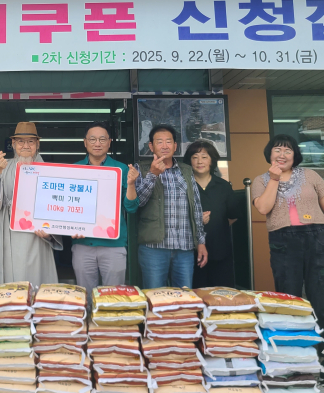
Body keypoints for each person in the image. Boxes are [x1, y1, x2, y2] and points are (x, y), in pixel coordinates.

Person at [252, 134, 324, 385]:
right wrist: (273, 178)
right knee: (288, 302)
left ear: (295, 155)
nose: (282, 154)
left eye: (288, 150)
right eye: (277, 150)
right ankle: (292, 360)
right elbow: (263, 208)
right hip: (283, 242)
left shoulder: (311, 176)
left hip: (317, 239)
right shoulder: (261, 180)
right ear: (269, 154)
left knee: (322, 301)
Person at [0, 121, 63, 286]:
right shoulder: (3, 167)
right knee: (9, 284)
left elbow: (57, 207)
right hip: (8, 232)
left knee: (35, 283)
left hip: (36, 236)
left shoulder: (50, 171)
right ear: (13, 143)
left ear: (37, 144)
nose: (26, 146)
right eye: (20, 141)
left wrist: (49, 234)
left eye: (30, 141)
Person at [135, 124, 208, 289]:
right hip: (154, 248)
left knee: (184, 297)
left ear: (175, 146)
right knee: (155, 296)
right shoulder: (142, 169)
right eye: (159, 142)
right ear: (151, 146)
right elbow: (138, 202)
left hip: (184, 247)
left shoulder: (186, 171)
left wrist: (201, 242)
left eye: (168, 142)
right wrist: (153, 175)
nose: (164, 146)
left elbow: (196, 207)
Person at [71, 121, 139, 296]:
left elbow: (131, 207)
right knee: (85, 297)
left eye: (102, 139)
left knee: (113, 297)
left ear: (109, 143)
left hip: (113, 244)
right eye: (92, 139)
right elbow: (67, 206)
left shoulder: (121, 169)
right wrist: (70, 227)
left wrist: (131, 184)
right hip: (83, 243)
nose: (97, 143)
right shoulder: (74, 169)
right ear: (85, 142)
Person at [184, 139, 243, 289]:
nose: (199, 161)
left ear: (212, 160)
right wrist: (196, 223)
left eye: (204, 157)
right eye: (195, 157)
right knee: (195, 294)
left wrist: (216, 223)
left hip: (220, 249)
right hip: (190, 252)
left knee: (222, 293)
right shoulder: (183, 186)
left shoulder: (223, 186)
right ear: (189, 161)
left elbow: (233, 215)